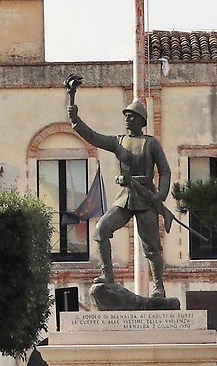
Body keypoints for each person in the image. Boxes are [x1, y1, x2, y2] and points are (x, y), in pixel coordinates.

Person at [64, 74, 173, 297]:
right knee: (101, 229)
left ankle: (158, 287)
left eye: (131, 116)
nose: (127, 119)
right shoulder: (118, 141)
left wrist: (160, 195)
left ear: (141, 121)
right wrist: (74, 114)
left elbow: (165, 170)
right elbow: (92, 136)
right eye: (126, 116)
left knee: (151, 247)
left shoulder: (151, 143)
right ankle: (107, 274)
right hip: (125, 198)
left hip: (146, 199)